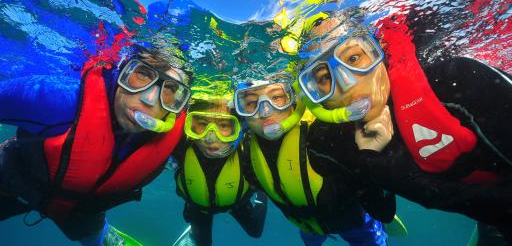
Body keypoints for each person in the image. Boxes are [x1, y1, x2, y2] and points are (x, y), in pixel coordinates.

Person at [296, 12, 512, 242]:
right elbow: (383, 213)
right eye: (323, 79)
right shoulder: (335, 141)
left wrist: (399, 173)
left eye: (353, 59)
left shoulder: (457, 81)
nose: (347, 84)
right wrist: (376, 160)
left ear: (377, 49)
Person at [0, 44, 192, 245]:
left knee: (94, 237)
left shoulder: (179, 137)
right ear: (121, 73)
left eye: (170, 89)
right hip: (11, 183)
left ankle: (105, 236)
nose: (149, 99)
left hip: (82, 213)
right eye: (142, 75)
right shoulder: (55, 100)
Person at [233, 78, 394, 246]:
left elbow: (373, 188)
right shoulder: (246, 149)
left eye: (276, 98)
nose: (265, 112)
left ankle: (377, 228)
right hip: (307, 227)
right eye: (251, 102)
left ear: (293, 97)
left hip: (354, 225)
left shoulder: (321, 136)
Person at [171, 79, 268, 246]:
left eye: (223, 126)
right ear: (190, 125)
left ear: (238, 128)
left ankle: (262, 197)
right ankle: (192, 233)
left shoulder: (247, 152)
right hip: (198, 205)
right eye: (201, 125)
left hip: (236, 204)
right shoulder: (180, 146)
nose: (211, 138)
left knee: (255, 231)